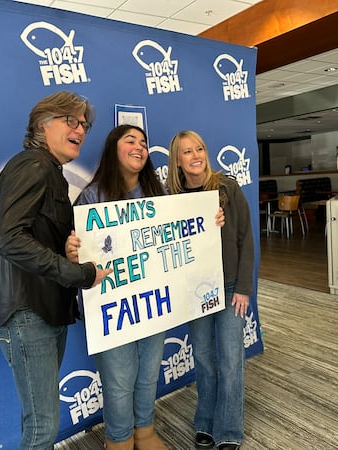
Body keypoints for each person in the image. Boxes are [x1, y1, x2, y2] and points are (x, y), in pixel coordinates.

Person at [0, 91, 112, 450]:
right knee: (43, 427)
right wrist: (80, 274)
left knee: (39, 422)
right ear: (43, 126)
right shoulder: (33, 165)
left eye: (84, 125)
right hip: (29, 315)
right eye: (70, 121)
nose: (80, 130)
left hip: (45, 313)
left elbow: (34, 238)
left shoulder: (52, 173)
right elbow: (10, 239)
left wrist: (68, 251)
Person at [67, 124, 168, 450]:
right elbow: (76, 253)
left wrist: (210, 222)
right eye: (130, 140)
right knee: (119, 382)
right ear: (114, 149)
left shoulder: (158, 194)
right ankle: (120, 440)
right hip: (112, 310)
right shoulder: (92, 196)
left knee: (148, 374)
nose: (139, 146)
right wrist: (72, 252)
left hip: (153, 303)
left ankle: (145, 431)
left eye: (143, 142)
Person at [166, 130, 254, 450]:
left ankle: (229, 428)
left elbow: (246, 239)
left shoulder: (227, 187)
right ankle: (205, 421)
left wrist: (244, 288)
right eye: (187, 152)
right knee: (203, 358)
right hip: (196, 290)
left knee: (230, 359)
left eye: (200, 148)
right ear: (177, 159)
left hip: (231, 286)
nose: (196, 156)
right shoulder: (171, 198)